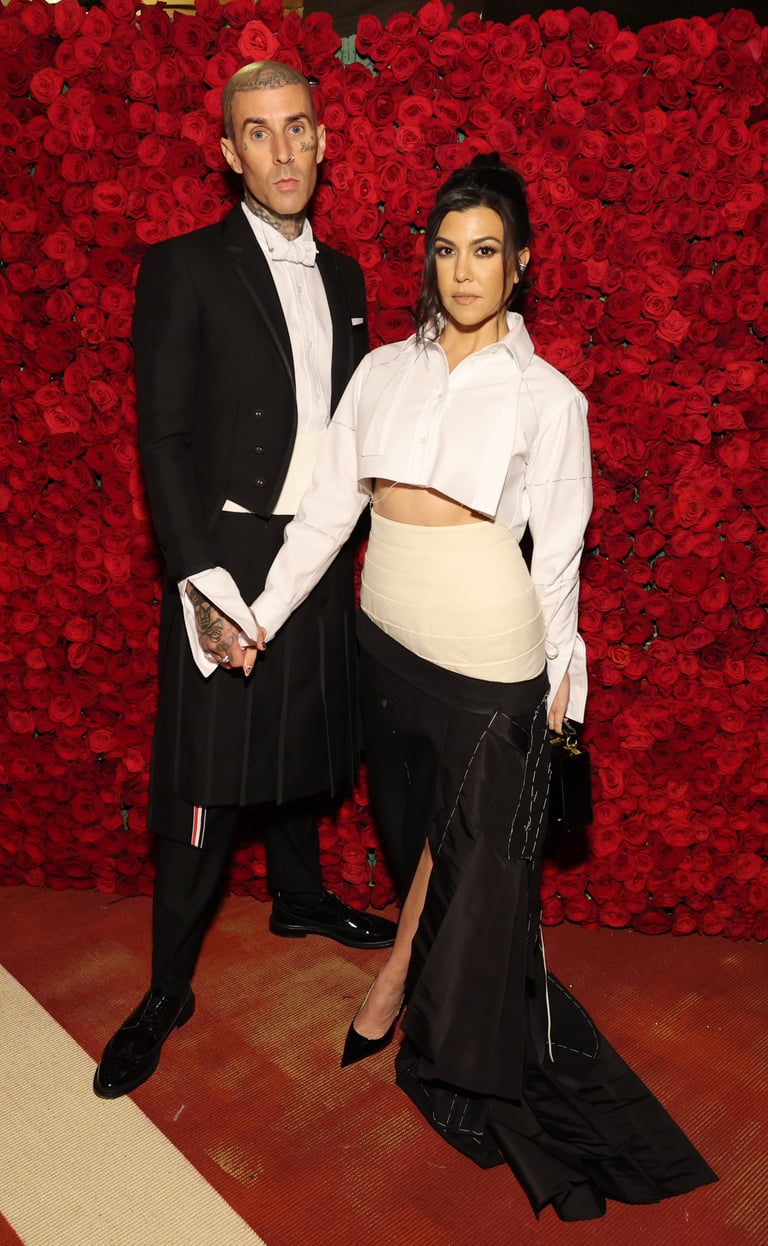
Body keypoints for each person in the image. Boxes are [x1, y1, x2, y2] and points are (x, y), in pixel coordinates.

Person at [240, 156, 717, 1219]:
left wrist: (563, 681)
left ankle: (400, 981)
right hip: (386, 634)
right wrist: (262, 617)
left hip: (492, 644)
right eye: (448, 249)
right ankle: (410, 966)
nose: (464, 270)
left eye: (486, 250)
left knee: (473, 849)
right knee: (420, 836)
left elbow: (560, 556)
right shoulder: (380, 373)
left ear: (522, 265)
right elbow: (326, 512)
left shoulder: (549, 399)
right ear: (431, 260)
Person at [93, 61, 396, 1101]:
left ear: (322, 139)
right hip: (226, 555)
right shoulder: (181, 267)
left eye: (298, 128)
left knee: (308, 739)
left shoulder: (350, 278)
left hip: (319, 545)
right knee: (206, 778)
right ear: (227, 153)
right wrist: (204, 583)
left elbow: (352, 432)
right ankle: (165, 988)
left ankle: (300, 898)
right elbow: (163, 439)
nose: (281, 150)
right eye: (257, 133)